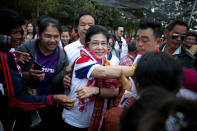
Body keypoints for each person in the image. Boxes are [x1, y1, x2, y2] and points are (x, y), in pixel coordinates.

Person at [0, 8, 74, 131]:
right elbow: (15, 94)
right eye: (48, 36)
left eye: (56, 36)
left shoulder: (62, 56)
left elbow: (55, 83)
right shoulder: (23, 50)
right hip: (21, 110)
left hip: (46, 107)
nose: (52, 40)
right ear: (39, 35)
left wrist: (65, 74)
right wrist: (28, 77)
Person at [62, 25, 133, 131]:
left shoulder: (106, 63)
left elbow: (114, 91)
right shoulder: (82, 61)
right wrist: (137, 69)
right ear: (87, 45)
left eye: (104, 43)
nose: (100, 47)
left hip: (93, 120)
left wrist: (95, 90)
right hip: (74, 120)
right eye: (95, 43)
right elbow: (103, 72)